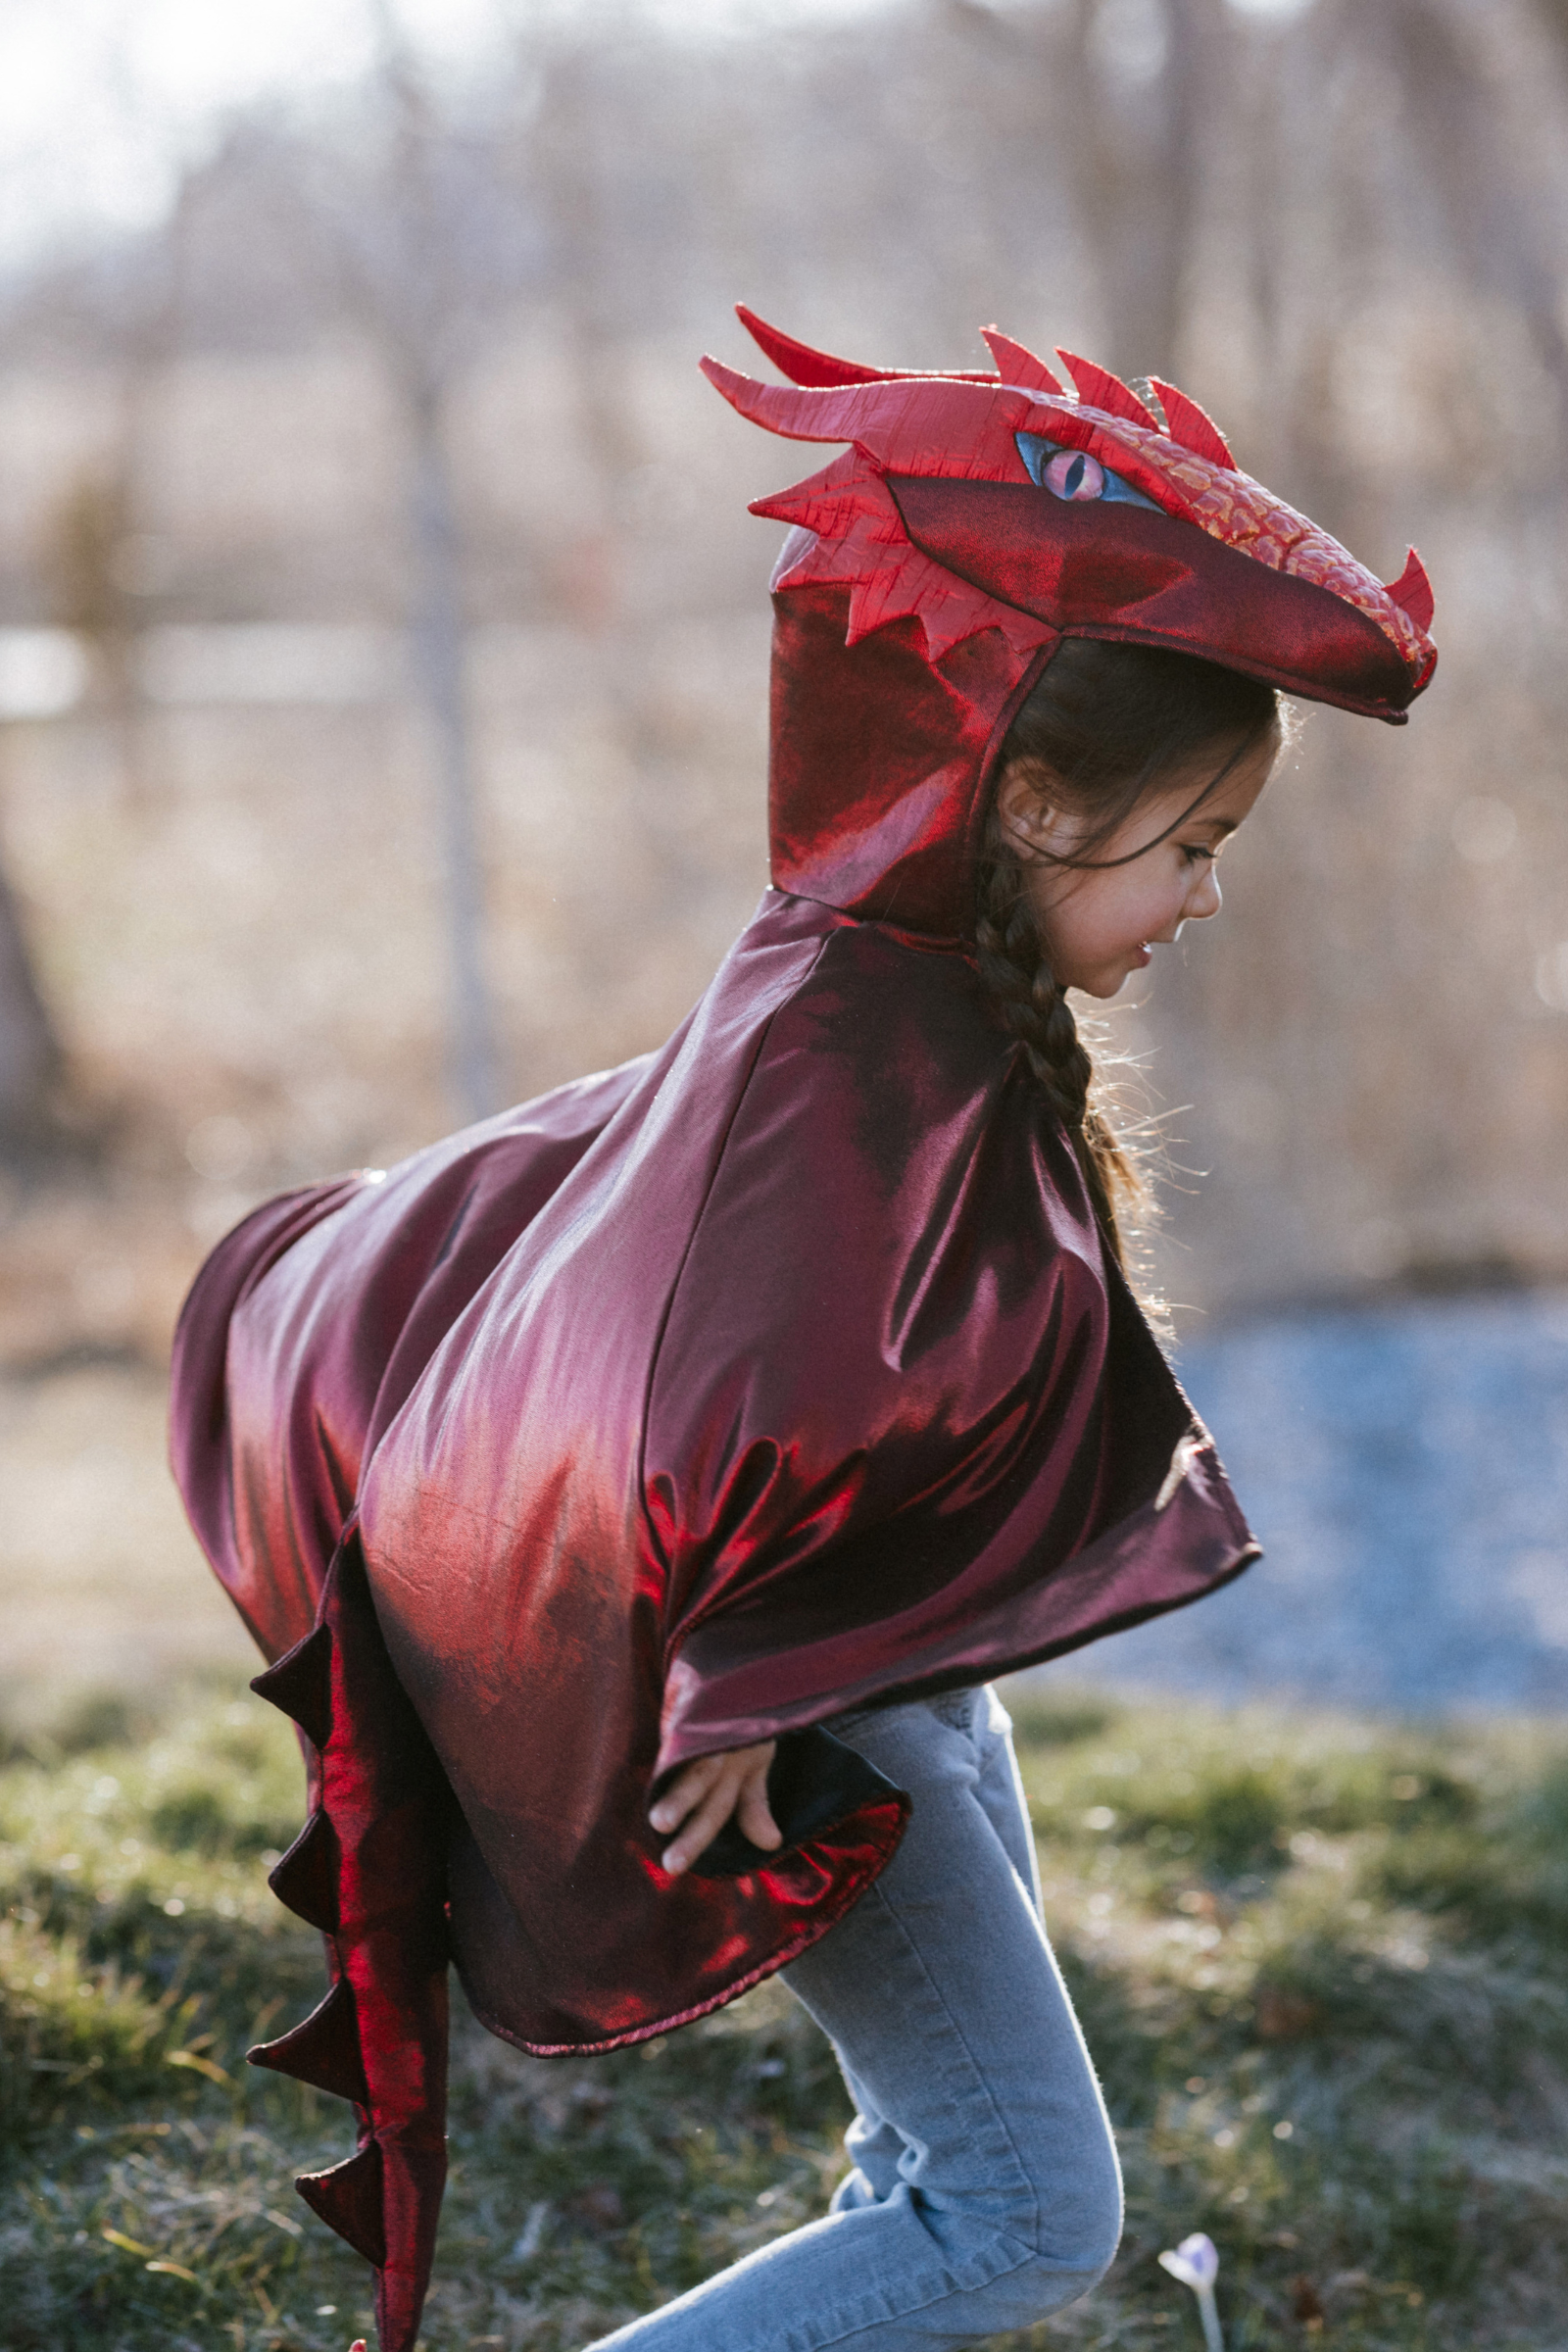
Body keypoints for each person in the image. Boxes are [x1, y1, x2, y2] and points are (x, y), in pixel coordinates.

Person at [170, 310, 1436, 2352]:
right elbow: (697, 1372)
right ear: (1029, 801)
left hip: (887, 1651)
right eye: (1190, 847)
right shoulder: (855, 1036)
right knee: (1018, 2212)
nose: (1203, 898)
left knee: (921, 2184)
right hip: (810, 1690)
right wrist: (749, 1673)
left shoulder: (896, 983)